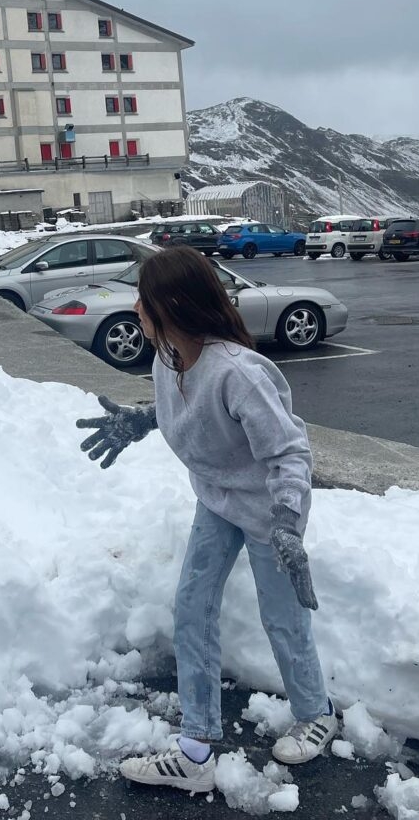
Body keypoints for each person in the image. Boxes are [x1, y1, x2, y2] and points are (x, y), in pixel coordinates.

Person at [76, 245, 336, 794]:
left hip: (269, 511)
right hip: (216, 502)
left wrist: (289, 525)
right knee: (192, 608)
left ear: (168, 306)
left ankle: (317, 713)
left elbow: (289, 452)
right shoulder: (168, 358)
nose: (137, 312)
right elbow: (190, 414)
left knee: (283, 617)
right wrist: (144, 421)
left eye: (143, 303)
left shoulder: (238, 373)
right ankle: (195, 749)